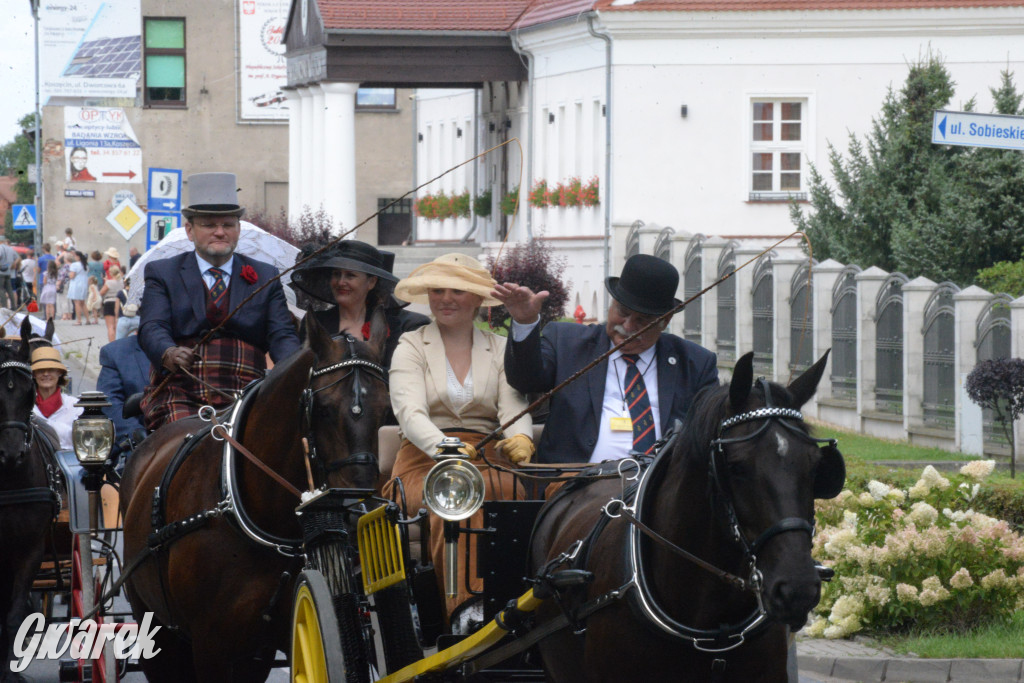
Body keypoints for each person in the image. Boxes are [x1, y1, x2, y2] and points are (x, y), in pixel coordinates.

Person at [383, 253, 534, 619]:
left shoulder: (498, 347)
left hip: (486, 457)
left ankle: (518, 604)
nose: (445, 298)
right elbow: (409, 412)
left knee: (513, 493)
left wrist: (522, 437)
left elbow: (513, 404)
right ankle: (467, 610)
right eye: (437, 290)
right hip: (423, 460)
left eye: (458, 290)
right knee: (455, 492)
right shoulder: (411, 344)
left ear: (479, 299)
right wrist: (445, 447)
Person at [495, 253, 719, 465]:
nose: (629, 326)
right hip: (574, 488)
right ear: (612, 303)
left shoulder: (695, 364)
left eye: (643, 320)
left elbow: (710, 432)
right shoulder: (567, 343)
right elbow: (525, 381)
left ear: (665, 320)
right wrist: (525, 322)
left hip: (657, 494)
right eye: (623, 311)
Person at [138, 172, 300, 430]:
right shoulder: (162, 273)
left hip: (248, 393)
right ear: (190, 230)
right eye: (209, 225)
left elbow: (281, 335)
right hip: (181, 391)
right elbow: (151, 327)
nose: (220, 232)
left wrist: (298, 366)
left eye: (228, 224)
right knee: (180, 445)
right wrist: (168, 352)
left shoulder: (266, 275)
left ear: (238, 229)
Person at [289, 239, 429, 368]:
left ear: (371, 282)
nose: (341, 282)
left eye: (350, 275)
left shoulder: (400, 325)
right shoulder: (316, 322)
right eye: (337, 274)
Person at [97, 332, 150, 460]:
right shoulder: (117, 352)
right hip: (139, 446)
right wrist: (138, 436)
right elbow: (110, 402)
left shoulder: (198, 348)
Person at [31, 347, 83, 449]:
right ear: (34, 374)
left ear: (59, 373)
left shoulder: (76, 406)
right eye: (41, 370)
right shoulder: (25, 406)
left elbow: (82, 441)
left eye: (51, 370)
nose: (46, 374)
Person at [99, 266, 124, 342]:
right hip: (119, 303)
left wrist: (106, 282)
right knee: (117, 326)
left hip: (109, 303)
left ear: (110, 273)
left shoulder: (109, 282)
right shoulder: (122, 282)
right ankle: (118, 342)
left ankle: (111, 344)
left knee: (110, 326)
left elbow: (101, 292)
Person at [68, 251, 89, 326]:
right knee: (83, 302)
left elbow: (72, 275)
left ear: (78, 257)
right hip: (84, 283)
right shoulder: (85, 265)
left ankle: (79, 320)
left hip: (76, 284)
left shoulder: (74, 265)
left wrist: (69, 275)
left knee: (77, 303)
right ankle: (87, 319)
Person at [0, 236, 20, 310]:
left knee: (1, 289)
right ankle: (13, 306)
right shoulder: (10, 249)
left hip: (1, 272)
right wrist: (13, 264)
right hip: (8, 272)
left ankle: (4, 307)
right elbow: (18, 257)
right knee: (9, 289)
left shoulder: (0, 248)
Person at [55, 252, 72, 320]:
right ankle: (70, 314)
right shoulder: (73, 265)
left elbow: (62, 276)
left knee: (63, 299)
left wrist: (58, 284)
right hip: (70, 283)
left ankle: (65, 315)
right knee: (69, 300)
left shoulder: (65, 266)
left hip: (64, 283)